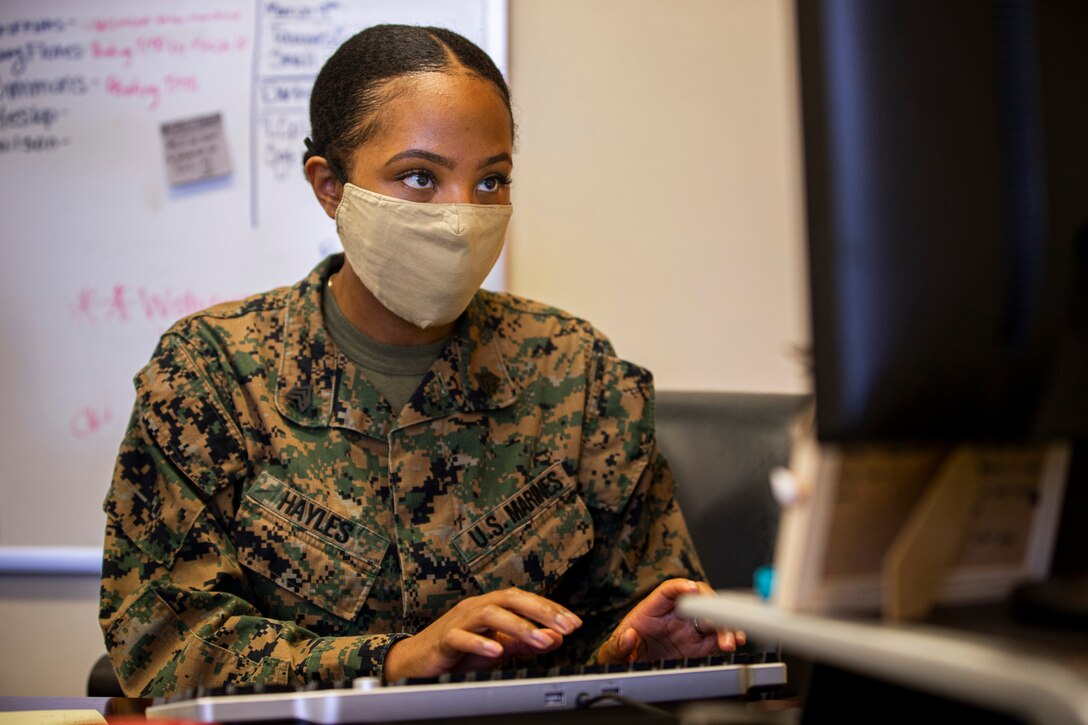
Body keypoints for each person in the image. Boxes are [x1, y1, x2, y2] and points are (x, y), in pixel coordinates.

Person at [99, 23, 742, 698]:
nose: (463, 216)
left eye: (491, 180)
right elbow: (165, 639)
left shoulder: (580, 375)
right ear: (330, 186)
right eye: (419, 177)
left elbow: (641, 615)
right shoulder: (210, 373)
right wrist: (393, 661)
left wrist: (631, 649)